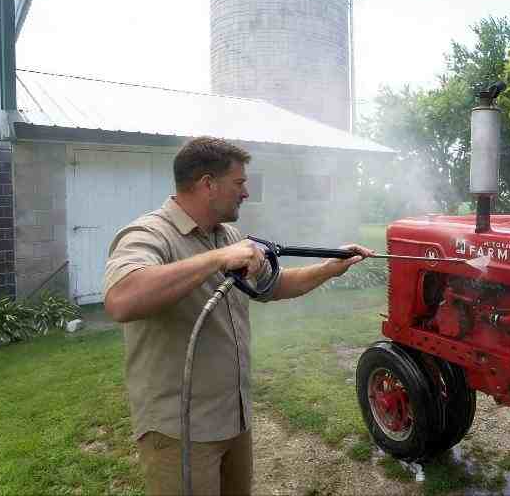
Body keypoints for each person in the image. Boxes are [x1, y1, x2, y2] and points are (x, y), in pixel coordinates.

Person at [103, 136, 372, 496]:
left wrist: (329, 268)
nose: (245, 193)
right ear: (207, 184)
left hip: (234, 417)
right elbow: (121, 299)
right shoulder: (149, 234)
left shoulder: (226, 234)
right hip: (180, 429)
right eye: (240, 183)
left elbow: (272, 286)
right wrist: (216, 259)